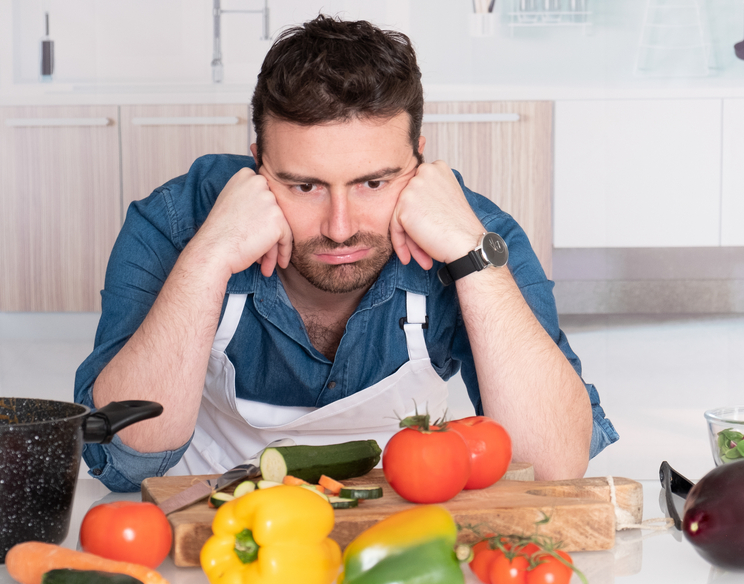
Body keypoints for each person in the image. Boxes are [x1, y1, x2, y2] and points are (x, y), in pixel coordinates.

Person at [74, 15, 617, 492]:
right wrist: (208, 256)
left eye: (374, 183)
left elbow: (553, 471)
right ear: (258, 164)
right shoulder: (177, 221)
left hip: (402, 519)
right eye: (304, 186)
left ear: (418, 158)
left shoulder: (476, 233)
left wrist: (472, 259)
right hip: (205, 526)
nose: (339, 229)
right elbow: (125, 458)